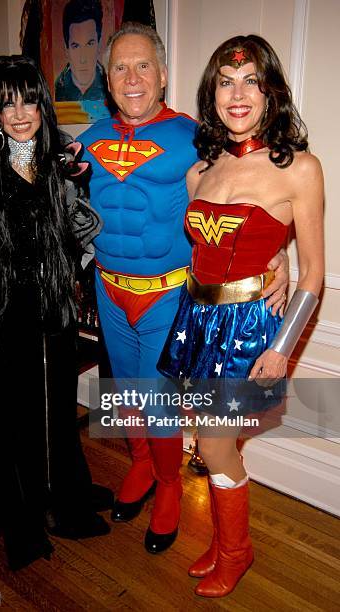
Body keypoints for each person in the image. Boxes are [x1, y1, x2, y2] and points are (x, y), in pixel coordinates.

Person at [79, 23, 289, 554]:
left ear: (164, 74)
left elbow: (248, 194)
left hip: (167, 294)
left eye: (143, 65)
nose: (132, 78)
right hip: (108, 288)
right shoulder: (84, 141)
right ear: (107, 78)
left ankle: (171, 484)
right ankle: (143, 467)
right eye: (120, 67)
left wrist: (279, 252)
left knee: (158, 405)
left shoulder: (198, 135)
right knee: (124, 395)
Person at [157, 35, 324, 597]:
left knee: (216, 444)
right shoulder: (200, 172)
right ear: (212, 92)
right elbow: (211, 248)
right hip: (195, 319)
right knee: (205, 441)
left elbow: (314, 274)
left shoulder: (300, 169)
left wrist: (283, 348)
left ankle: (237, 550)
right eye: (226, 81)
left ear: (271, 89)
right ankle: (228, 543)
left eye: (251, 79)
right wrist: (270, 253)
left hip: (250, 330)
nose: (238, 93)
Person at [0, 55, 113, 571]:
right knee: (11, 426)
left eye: (28, 99)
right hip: (4, 322)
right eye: (5, 103)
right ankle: (23, 521)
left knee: (59, 415)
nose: (19, 113)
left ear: (43, 102)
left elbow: (80, 238)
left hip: (55, 319)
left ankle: (65, 502)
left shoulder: (61, 164)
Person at [55, 0, 109, 122]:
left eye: (90, 44)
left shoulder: (112, 87)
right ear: (66, 48)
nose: (83, 59)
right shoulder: (57, 88)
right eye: (76, 46)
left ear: (99, 44)